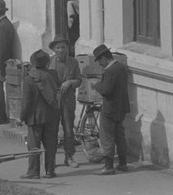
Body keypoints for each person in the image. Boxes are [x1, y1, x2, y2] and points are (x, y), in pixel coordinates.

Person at [16, 49, 60, 179]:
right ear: (47, 63)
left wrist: (21, 118)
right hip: (52, 115)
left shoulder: (29, 80)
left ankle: (33, 172)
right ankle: (50, 171)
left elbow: (26, 103)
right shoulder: (53, 76)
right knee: (51, 144)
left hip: (35, 117)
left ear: (33, 64)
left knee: (34, 145)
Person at [91, 44, 130, 175]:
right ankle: (123, 163)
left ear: (103, 58)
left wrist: (96, 85)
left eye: (99, 61)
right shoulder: (122, 67)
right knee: (120, 136)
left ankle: (108, 166)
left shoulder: (109, 71)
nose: (100, 64)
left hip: (110, 108)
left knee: (107, 137)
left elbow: (106, 90)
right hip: (122, 107)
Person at [48, 35, 82, 168]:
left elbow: (79, 80)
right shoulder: (49, 62)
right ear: (53, 49)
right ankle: (51, 158)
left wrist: (70, 82)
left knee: (68, 130)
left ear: (67, 48)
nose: (61, 50)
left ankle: (69, 157)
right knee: (52, 130)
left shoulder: (73, 62)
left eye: (63, 47)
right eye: (58, 48)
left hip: (68, 101)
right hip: (52, 102)